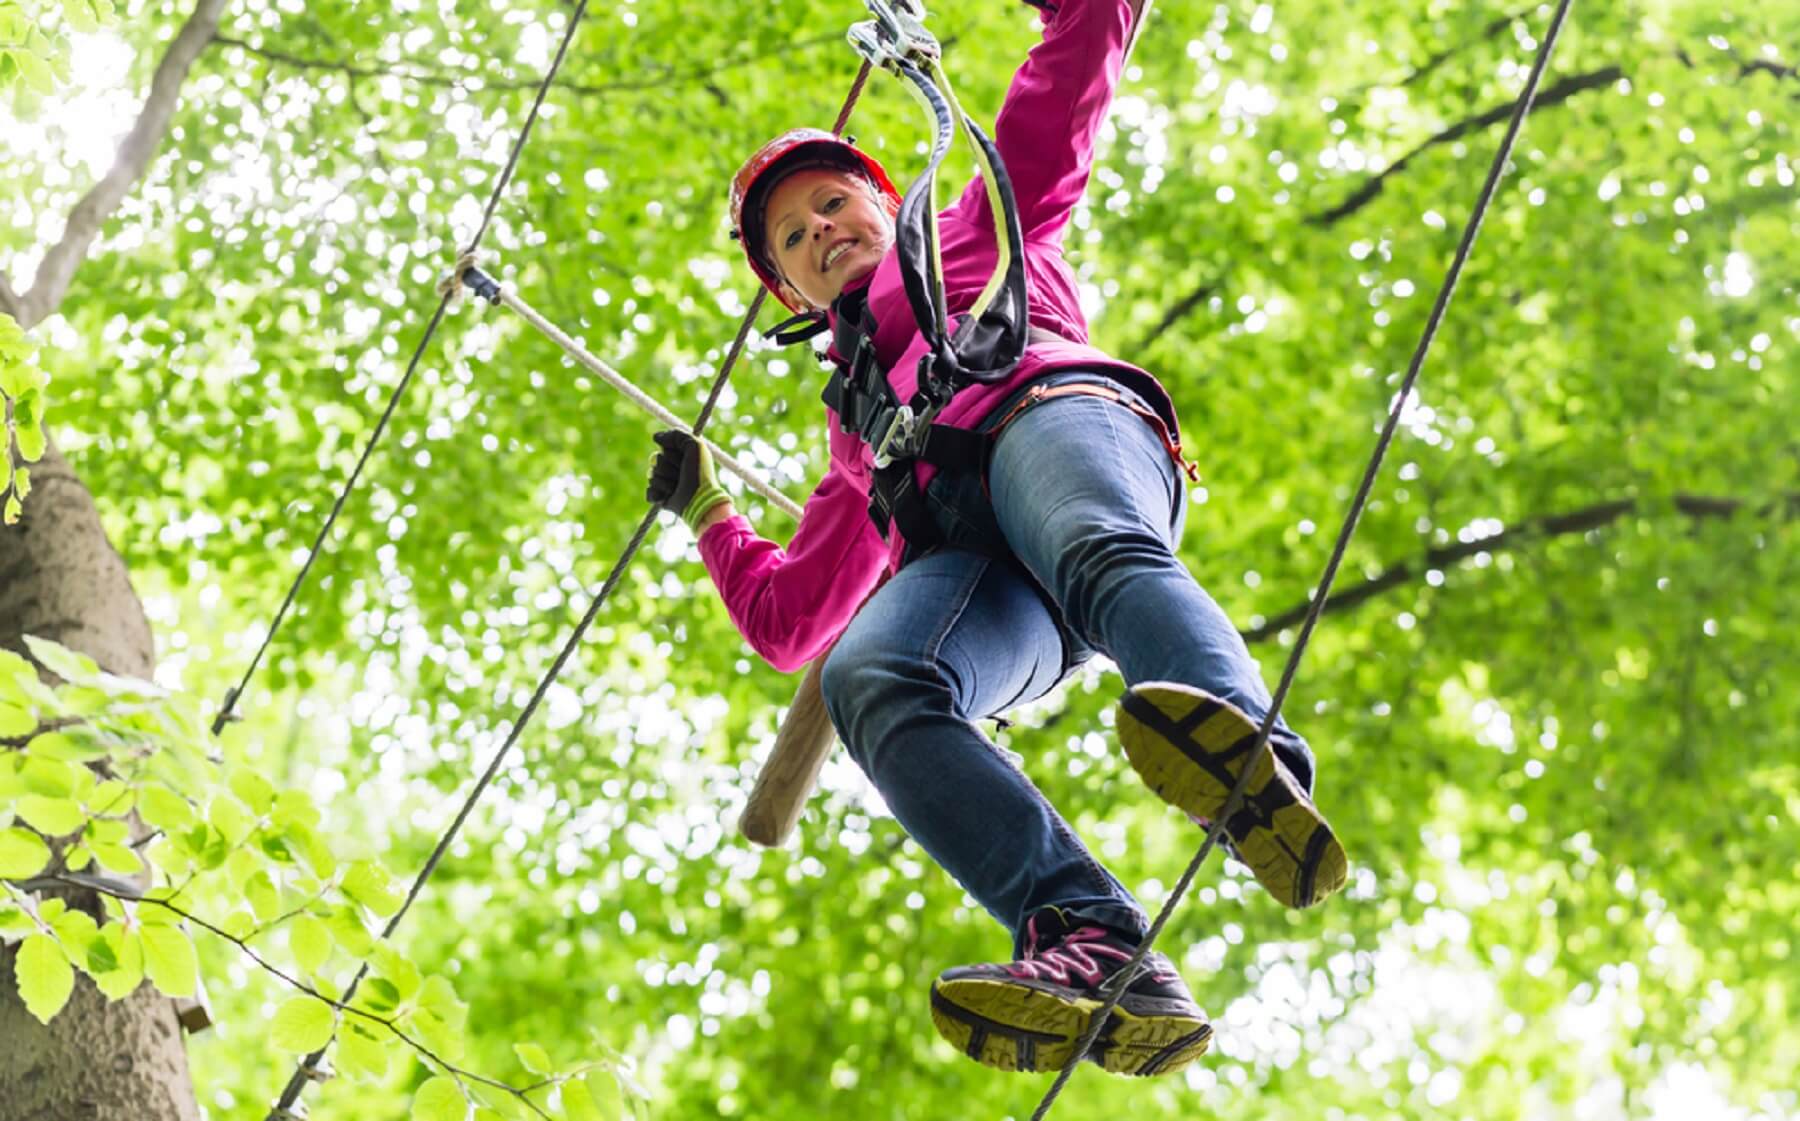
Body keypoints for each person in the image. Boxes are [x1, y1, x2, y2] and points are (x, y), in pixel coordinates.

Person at [647, 0, 1346, 1078]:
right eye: (795, 236)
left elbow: (1079, 54)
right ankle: (1093, 939)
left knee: (1092, 542)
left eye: (834, 204)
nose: (823, 230)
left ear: (883, 203)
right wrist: (709, 518)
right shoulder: (853, 433)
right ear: (788, 291)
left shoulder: (978, 224)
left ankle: (1251, 751)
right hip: (983, 574)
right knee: (873, 676)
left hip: (1057, 428)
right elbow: (791, 621)